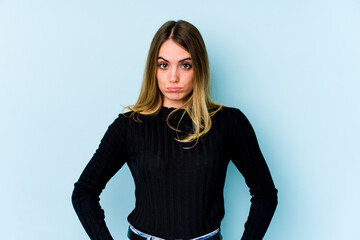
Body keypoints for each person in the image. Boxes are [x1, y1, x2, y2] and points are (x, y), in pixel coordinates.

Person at [72, 20, 278, 240]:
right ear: (153, 69)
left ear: (199, 67)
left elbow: (264, 193)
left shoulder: (229, 122)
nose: (173, 77)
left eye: (185, 65)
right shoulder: (129, 126)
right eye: (164, 65)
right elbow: (84, 193)